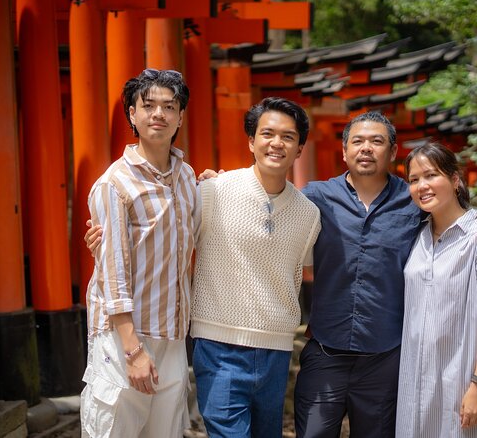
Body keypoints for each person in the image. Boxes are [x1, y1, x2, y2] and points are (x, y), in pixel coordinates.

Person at [86, 97, 321, 437]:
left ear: (300, 148)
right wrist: (106, 237)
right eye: (267, 133)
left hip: (277, 349)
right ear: (251, 141)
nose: (276, 143)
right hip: (218, 345)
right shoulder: (211, 192)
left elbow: (303, 269)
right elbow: (165, 236)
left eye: (288, 136)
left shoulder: (309, 213)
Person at [294, 112, 477, 437]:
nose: (366, 148)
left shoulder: (412, 201)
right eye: (358, 141)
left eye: (377, 141)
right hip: (326, 352)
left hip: (385, 362)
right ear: (344, 151)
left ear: (393, 152)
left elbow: (458, 220)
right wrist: (220, 182)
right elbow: (272, 203)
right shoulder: (315, 197)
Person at [80, 68, 195, 438]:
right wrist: (133, 351)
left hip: (172, 332)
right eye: (148, 106)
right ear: (132, 114)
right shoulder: (114, 184)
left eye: (168, 106)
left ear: (180, 116)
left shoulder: (188, 177)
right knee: (115, 429)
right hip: (124, 335)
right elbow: (112, 271)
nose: (158, 114)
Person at [395, 142, 477, 436]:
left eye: (431, 175)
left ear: (454, 179)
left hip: (460, 379)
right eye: (413, 179)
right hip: (414, 380)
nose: (422, 186)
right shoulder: (417, 235)